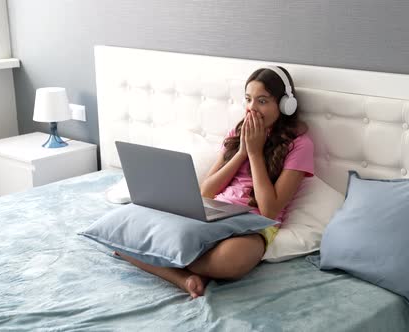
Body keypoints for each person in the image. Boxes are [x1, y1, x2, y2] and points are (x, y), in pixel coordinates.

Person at [117, 66, 314, 298]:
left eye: (262, 101)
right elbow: (207, 191)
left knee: (230, 260)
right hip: (218, 212)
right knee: (127, 234)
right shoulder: (237, 132)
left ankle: (164, 261)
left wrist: (255, 153)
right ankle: (183, 278)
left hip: (255, 223)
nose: (252, 108)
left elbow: (270, 209)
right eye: (249, 100)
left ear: (284, 105)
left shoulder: (300, 145)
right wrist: (241, 152)